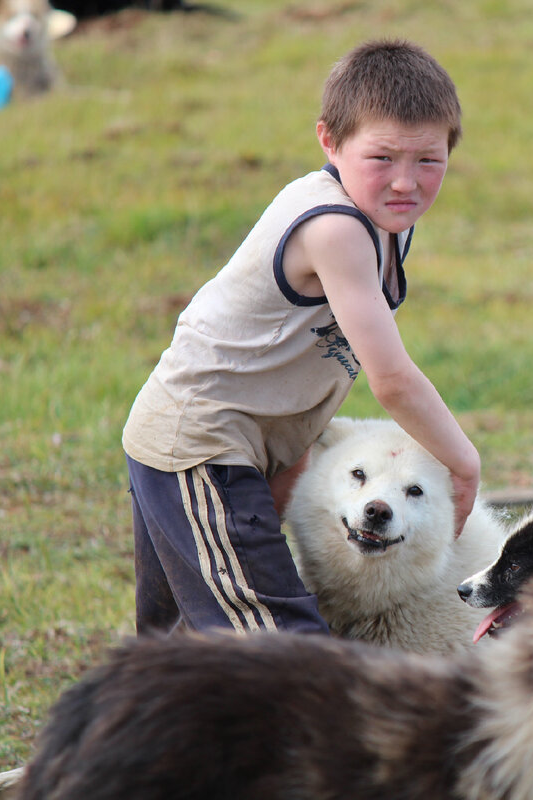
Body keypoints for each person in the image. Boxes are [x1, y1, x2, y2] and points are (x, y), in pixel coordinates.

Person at [121, 39, 480, 636]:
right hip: (200, 449)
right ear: (329, 142)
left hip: (242, 448)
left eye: (428, 161)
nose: (405, 183)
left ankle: (144, 729)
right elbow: (389, 380)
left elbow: (314, 369)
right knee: (288, 647)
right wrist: (463, 464)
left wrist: (285, 476)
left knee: (177, 644)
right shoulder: (336, 228)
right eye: (382, 157)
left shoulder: (386, 226)